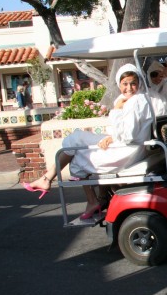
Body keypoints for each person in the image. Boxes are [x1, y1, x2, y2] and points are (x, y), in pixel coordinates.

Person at [23, 64, 153, 219]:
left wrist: (116, 114)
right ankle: (56, 183)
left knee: (76, 144)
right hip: (127, 147)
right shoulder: (133, 99)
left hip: (126, 150)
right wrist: (112, 134)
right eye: (125, 84)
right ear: (119, 84)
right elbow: (128, 129)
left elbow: (129, 134)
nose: (129, 88)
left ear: (138, 83)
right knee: (76, 142)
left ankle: (50, 180)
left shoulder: (134, 101)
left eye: (133, 83)